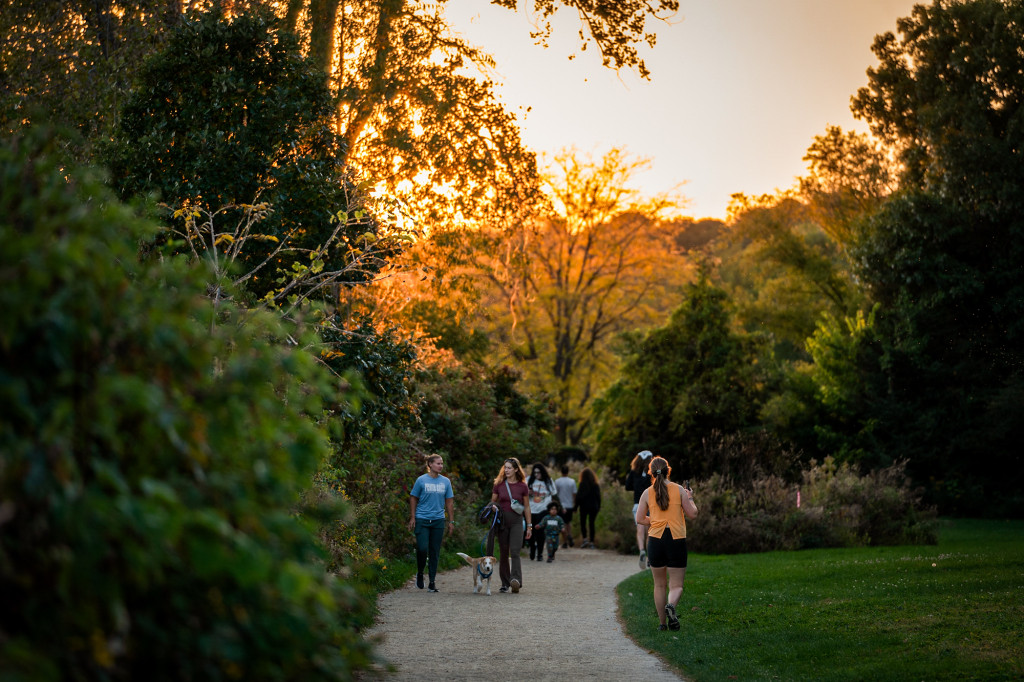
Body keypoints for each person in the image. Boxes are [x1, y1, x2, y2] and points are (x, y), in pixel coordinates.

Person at [635, 456, 698, 631]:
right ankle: (671, 606)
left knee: (659, 584)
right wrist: (690, 497)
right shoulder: (679, 490)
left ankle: (662, 624)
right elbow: (693, 514)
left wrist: (654, 521)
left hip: (655, 540)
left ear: (651, 473)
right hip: (676, 539)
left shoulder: (647, 492)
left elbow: (639, 519)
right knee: (676, 585)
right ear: (668, 470)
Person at [407, 453, 455, 592]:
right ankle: (420, 573)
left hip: (438, 520)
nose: (441, 466)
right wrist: (413, 517)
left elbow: (449, 501)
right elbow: (413, 498)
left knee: (435, 551)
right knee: (422, 548)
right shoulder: (421, 480)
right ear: (430, 465)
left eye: (442, 463)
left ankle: (432, 582)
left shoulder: (445, 481)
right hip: (422, 519)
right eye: (438, 463)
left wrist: (451, 521)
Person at [486, 457, 532, 593]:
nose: (506, 470)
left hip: (517, 522)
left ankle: (516, 580)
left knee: (515, 551)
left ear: (516, 469)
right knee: (504, 552)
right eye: (505, 467)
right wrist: (493, 507)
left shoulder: (522, 486)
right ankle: (505, 583)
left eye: (509, 468)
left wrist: (529, 526)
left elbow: (527, 507)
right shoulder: (499, 484)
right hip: (502, 523)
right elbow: (492, 502)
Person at [625, 450, 653, 568]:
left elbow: (627, 486)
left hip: (638, 505)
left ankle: (642, 550)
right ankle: (649, 557)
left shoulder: (633, 472)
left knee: (640, 530)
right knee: (650, 532)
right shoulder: (652, 473)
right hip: (651, 505)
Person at [526, 462, 556, 562]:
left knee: (540, 533)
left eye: (538, 472)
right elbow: (522, 493)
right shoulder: (529, 480)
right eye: (534, 473)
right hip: (531, 509)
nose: (536, 474)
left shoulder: (548, 481)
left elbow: (554, 492)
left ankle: (539, 553)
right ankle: (532, 547)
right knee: (530, 531)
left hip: (543, 509)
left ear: (542, 472)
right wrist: (527, 492)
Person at [576, 467, 601, 548]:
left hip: (584, 507)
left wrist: (575, 507)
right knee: (591, 524)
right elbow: (598, 497)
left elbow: (578, 497)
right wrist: (599, 506)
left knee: (583, 523)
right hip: (593, 506)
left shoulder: (582, 484)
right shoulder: (595, 485)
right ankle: (592, 542)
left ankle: (584, 540)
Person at [553, 464, 577, 548]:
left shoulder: (557, 481)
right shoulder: (572, 481)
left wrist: (555, 504)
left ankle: (565, 541)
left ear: (561, 472)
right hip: (569, 505)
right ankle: (569, 534)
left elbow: (555, 494)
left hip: (561, 506)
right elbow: (574, 494)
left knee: (561, 524)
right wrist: (574, 504)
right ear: (568, 471)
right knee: (568, 523)